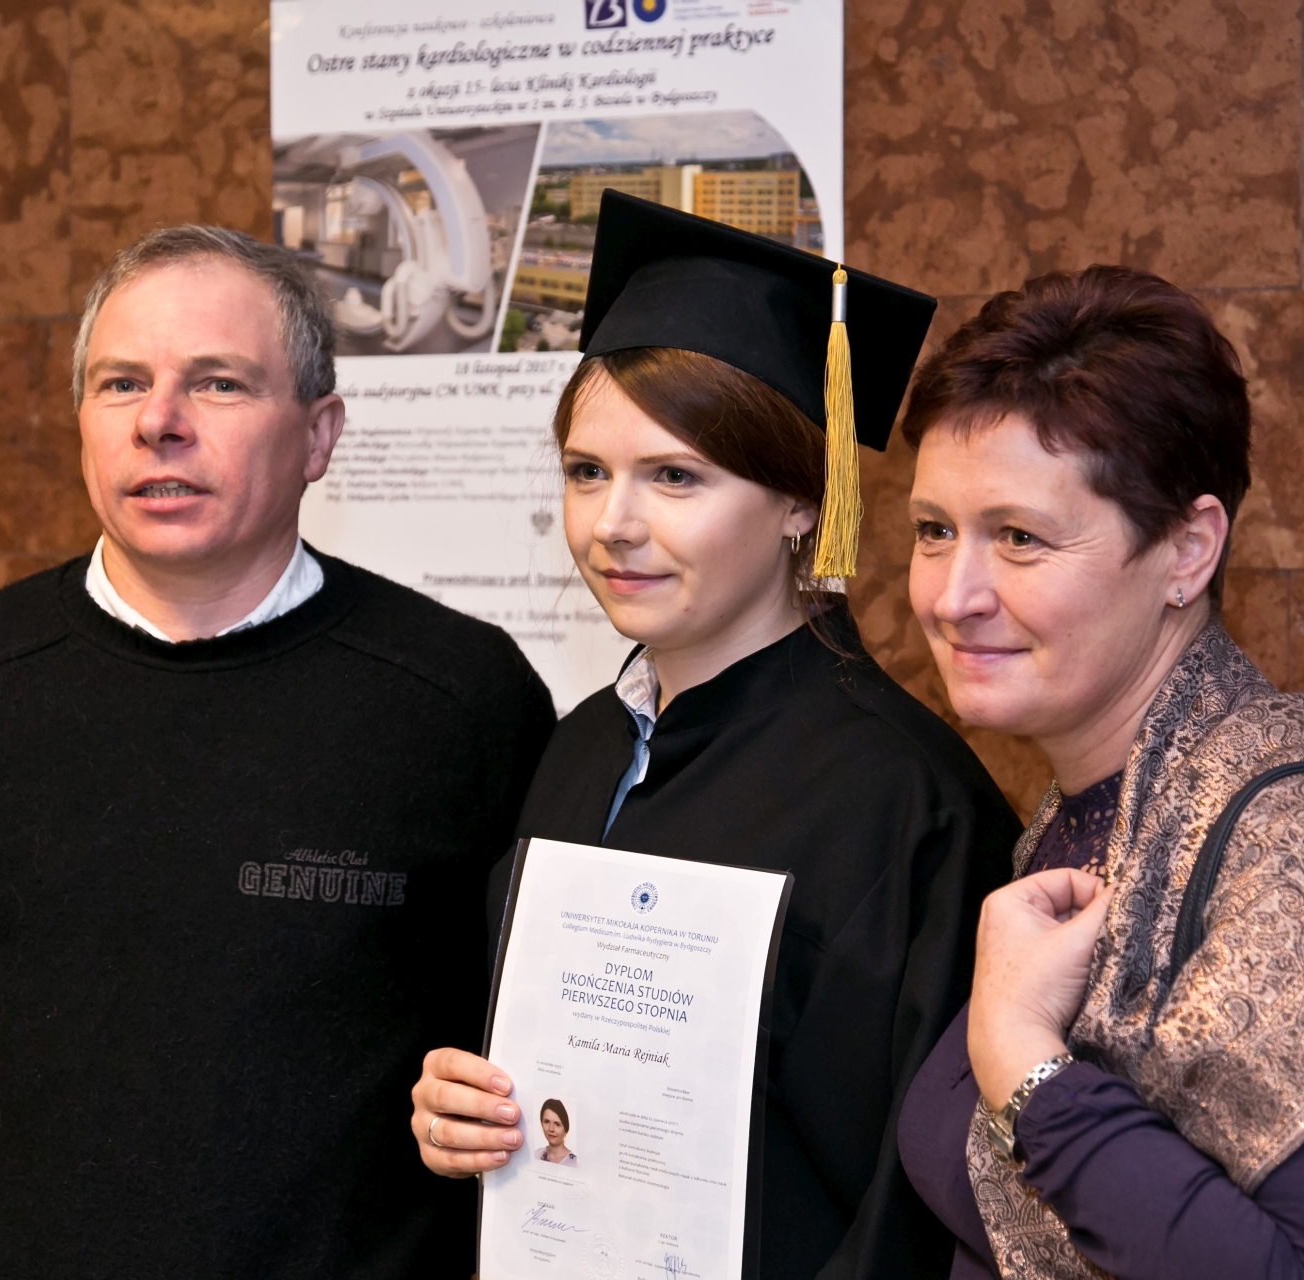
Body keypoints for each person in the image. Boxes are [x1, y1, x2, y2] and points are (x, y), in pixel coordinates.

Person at [0, 226, 555, 1278]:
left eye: (218, 382)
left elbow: (522, 1043)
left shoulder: (463, 698)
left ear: (319, 435)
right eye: (121, 384)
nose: (159, 422)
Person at [408, 192, 1025, 1280]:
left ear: (802, 502)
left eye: (675, 476)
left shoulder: (907, 803)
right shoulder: (581, 749)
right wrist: (462, 1110)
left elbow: (920, 1204)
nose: (613, 525)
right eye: (587, 471)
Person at [893, 266, 1304, 1280]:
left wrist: (1024, 1061)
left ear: (1188, 550)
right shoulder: (1090, 812)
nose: (952, 595)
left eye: (1019, 537)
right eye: (934, 530)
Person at [536, 1100, 578, 1166]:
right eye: (547, 1122)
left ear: (565, 1129)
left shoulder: (574, 1163)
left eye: (557, 1124)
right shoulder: (536, 1155)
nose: (551, 1129)